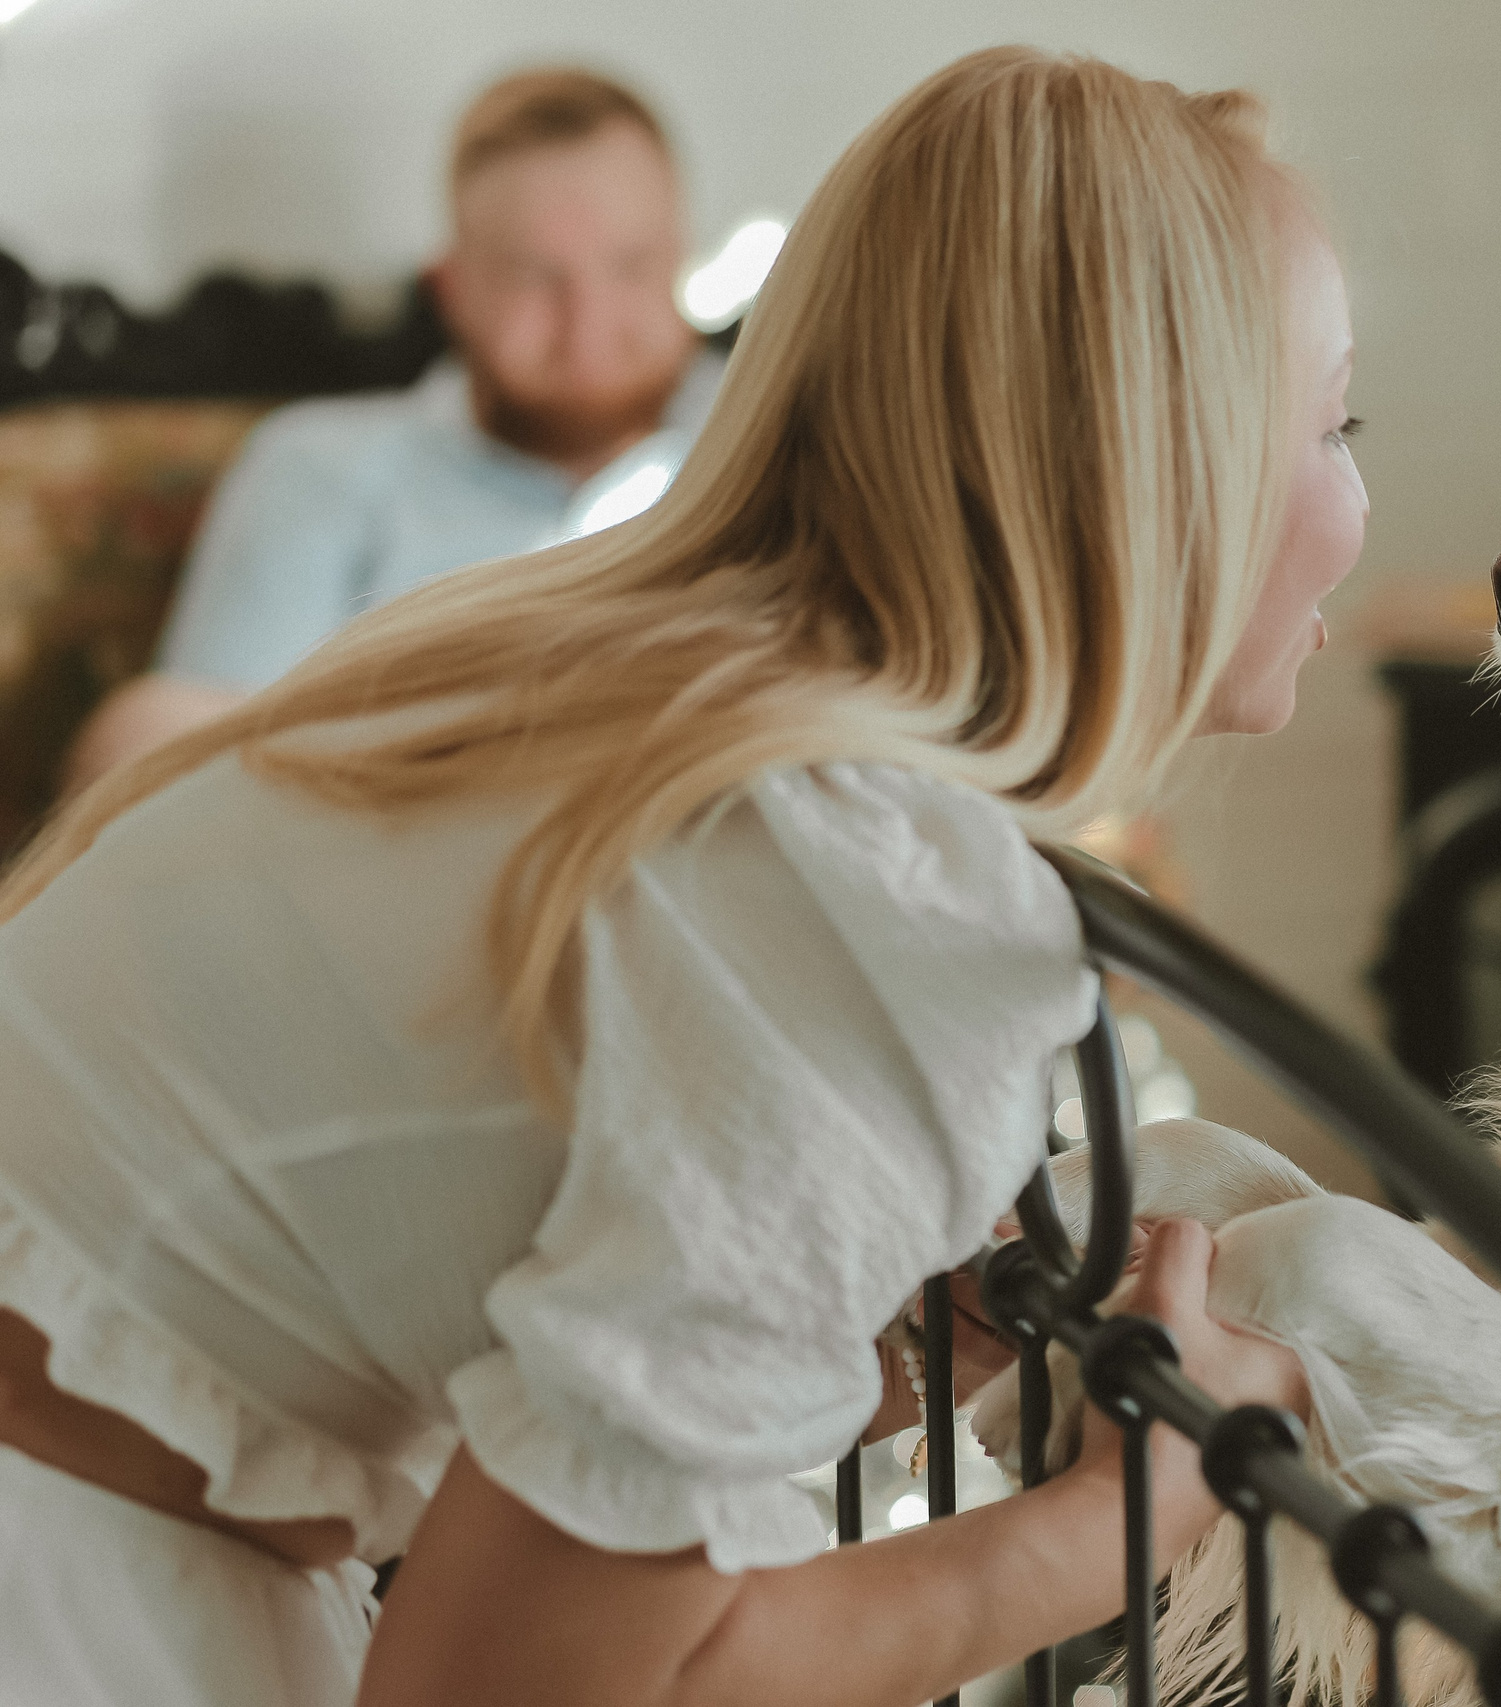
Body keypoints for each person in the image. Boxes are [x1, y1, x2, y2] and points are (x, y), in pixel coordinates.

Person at [0, 45, 1365, 1707]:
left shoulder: (634, 689)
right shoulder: (866, 898)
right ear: (1176, 467)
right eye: (1336, 420)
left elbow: (489, 1229)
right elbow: (514, 1687)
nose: (1359, 501)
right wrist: (1127, 1513)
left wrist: (854, 1336)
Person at [63, 68, 723, 794]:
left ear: (682, 257)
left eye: (631, 266)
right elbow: (178, 774)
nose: (587, 322)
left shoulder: (789, 441)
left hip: (711, 835)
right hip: (402, 848)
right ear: (452, 289)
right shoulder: (322, 464)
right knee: (140, 729)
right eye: (536, 277)